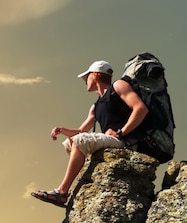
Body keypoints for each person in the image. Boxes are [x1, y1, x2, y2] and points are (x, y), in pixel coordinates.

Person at [31, 60, 149, 208]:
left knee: (79, 140)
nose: (85, 81)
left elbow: (141, 109)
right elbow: (81, 131)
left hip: (126, 142)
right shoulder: (96, 106)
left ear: (96, 75)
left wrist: (120, 132)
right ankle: (81, 179)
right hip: (114, 139)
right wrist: (62, 130)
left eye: (86, 77)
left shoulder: (118, 86)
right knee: (69, 142)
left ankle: (61, 192)